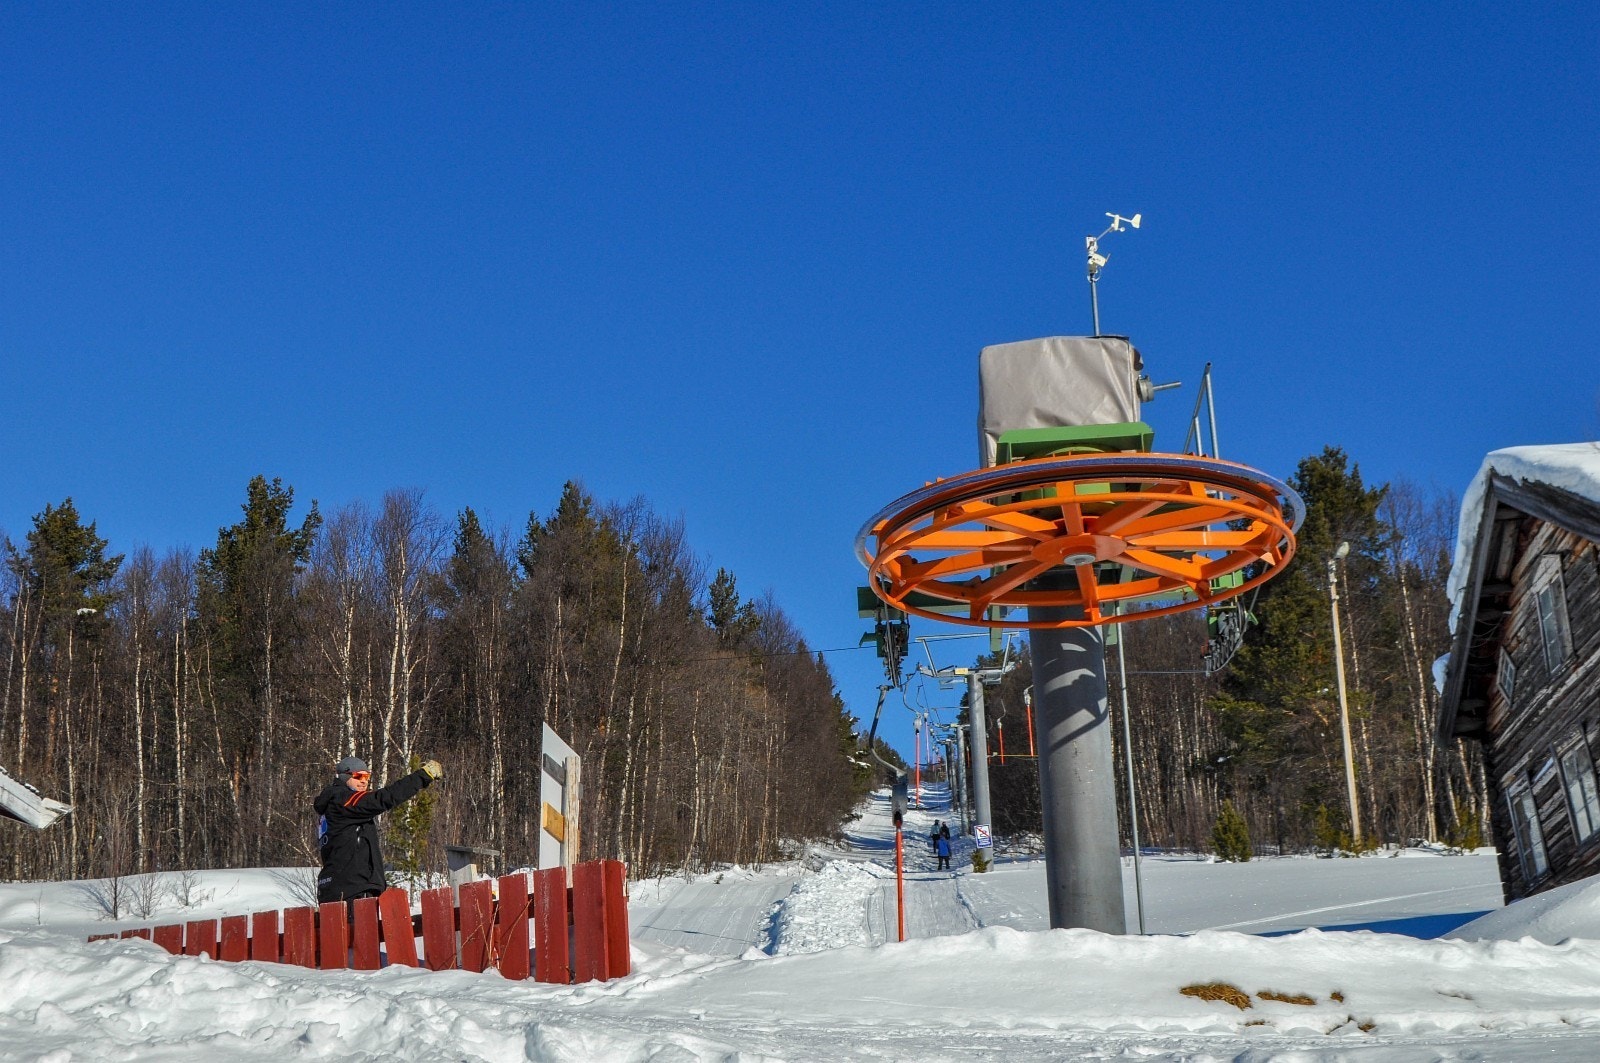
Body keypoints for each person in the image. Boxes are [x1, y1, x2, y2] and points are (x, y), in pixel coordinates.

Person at [315, 755, 443, 905]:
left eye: (367, 776)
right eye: (358, 776)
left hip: (338, 887)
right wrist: (422, 776)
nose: (364, 780)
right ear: (344, 776)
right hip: (351, 888)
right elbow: (383, 799)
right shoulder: (342, 799)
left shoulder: (334, 807)